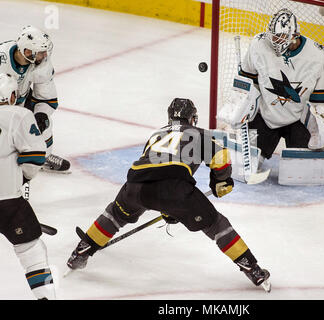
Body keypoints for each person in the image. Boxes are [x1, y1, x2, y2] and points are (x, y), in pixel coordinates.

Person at [66, 98, 271, 291]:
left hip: (135, 184)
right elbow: (221, 157)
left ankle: (82, 250)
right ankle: (252, 268)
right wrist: (221, 181)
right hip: (174, 188)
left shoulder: (156, 135)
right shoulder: (199, 132)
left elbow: (154, 167)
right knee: (216, 225)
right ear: (192, 118)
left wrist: (167, 207)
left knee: (115, 214)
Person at [236, 8, 324, 164]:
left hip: (298, 120)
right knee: (248, 164)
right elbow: (247, 83)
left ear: (295, 36)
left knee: (300, 168)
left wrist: (323, 128)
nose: (275, 41)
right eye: (273, 36)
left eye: (280, 37)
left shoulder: (317, 55)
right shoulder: (259, 44)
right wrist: (240, 108)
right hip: (265, 116)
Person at [0, 73, 56, 299]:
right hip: (7, 202)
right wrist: (23, 178)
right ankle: (45, 297)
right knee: (31, 250)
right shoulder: (18, 115)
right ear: (12, 95)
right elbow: (35, 156)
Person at [0, 25, 70, 172]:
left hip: (21, 100)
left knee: (44, 123)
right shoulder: (2, 59)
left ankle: (44, 156)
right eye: (40, 53)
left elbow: (46, 97)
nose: (44, 56)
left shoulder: (41, 65)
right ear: (27, 51)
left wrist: (41, 114)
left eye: (45, 52)